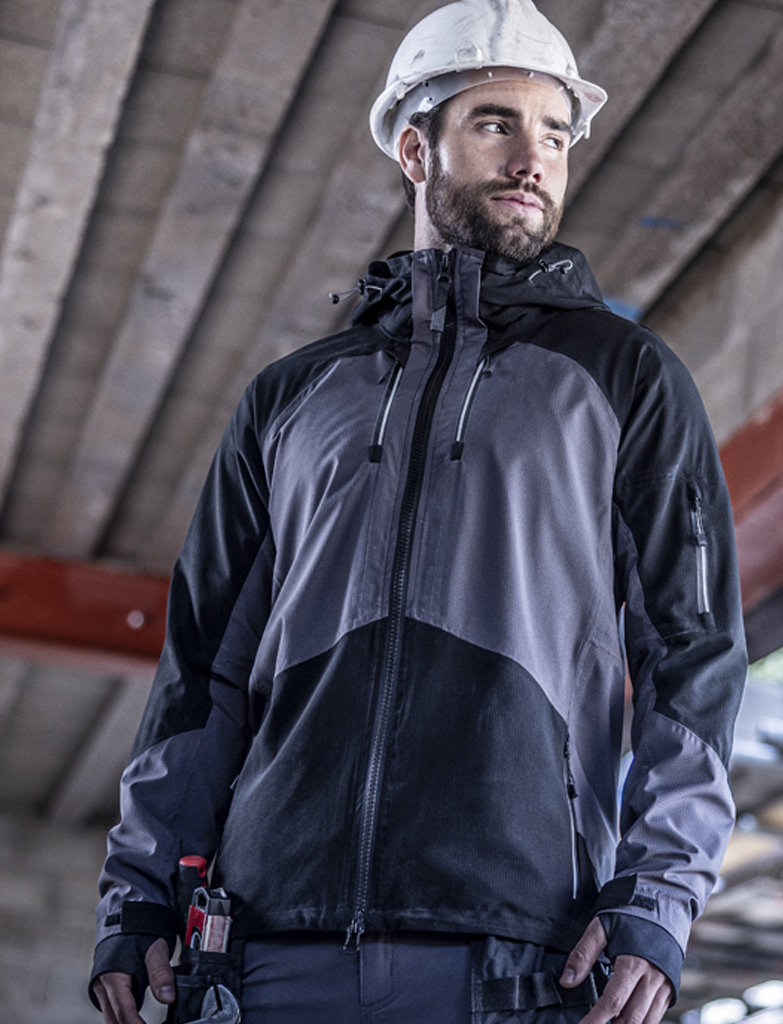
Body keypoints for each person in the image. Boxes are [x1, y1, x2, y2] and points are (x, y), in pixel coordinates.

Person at [90, 1, 746, 1022]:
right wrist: (138, 893)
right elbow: (199, 672)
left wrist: (658, 892)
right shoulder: (290, 398)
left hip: (515, 954)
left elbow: (692, 658)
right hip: (269, 948)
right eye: (496, 123)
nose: (532, 158)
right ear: (413, 148)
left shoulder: (627, 380)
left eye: (555, 134)